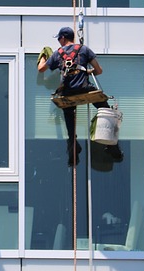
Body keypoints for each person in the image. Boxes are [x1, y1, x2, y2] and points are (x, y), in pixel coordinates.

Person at [37, 26, 123, 167]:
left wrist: (43, 57)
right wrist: (87, 71)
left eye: (59, 38)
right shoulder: (84, 49)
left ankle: (73, 148)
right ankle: (112, 145)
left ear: (63, 38)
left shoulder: (57, 54)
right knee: (105, 109)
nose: (59, 41)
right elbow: (99, 70)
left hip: (67, 92)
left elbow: (41, 69)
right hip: (84, 89)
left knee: (69, 115)